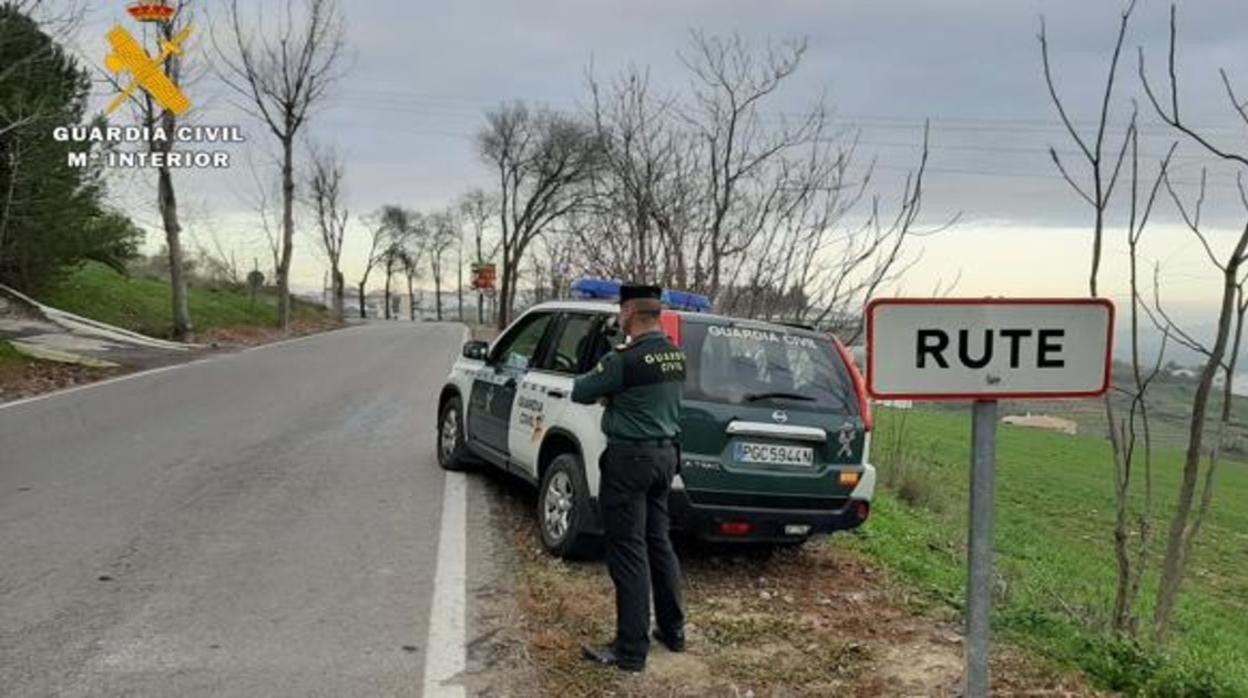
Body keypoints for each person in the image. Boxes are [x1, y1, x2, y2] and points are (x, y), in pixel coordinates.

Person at [571, 283, 686, 673]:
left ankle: (630, 649)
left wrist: (611, 396)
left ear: (629, 315)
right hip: (665, 457)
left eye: (621, 314)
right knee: (659, 543)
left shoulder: (625, 359)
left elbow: (581, 390)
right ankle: (673, 631)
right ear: (658, 314)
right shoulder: (675, 356)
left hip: (629, 460)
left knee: (628, 551)